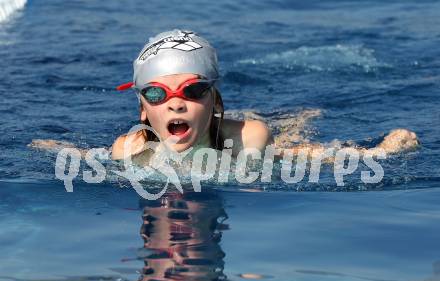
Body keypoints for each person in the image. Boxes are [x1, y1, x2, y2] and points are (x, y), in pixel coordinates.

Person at [30, 29, 419, 163]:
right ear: (143, 111)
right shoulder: (132, 151)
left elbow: (296, 157)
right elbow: (90, 157)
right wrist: (57, 149)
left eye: (193, 90)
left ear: (215, 100)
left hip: (231, 136)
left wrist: (377, 154)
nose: (175, 103)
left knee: (291, 131)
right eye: (157, 93)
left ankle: (304, 115)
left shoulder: (248, 139)